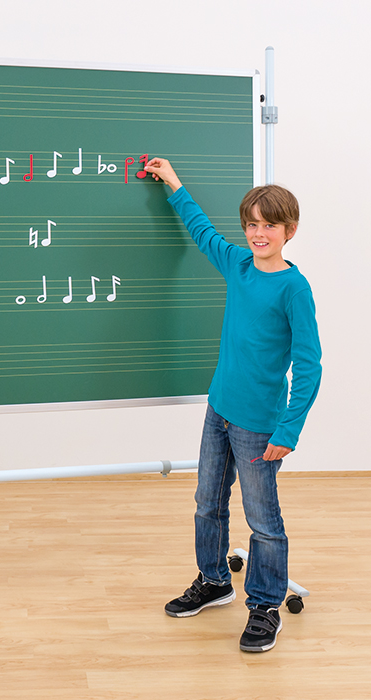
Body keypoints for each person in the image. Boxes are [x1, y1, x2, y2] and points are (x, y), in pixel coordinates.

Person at [142, 158, 322, 652]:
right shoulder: (239, 264)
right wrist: (174, 183)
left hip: (260, 425)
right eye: (252, 225)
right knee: (207, 502)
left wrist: (288, 430)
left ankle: (265, 605)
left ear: (289, 231)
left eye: (269, 226)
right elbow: (202, 232)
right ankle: (215, 580)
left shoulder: (294, 288)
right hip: (218, 410)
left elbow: (310, 366)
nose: (259, 234)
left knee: (263, 520)